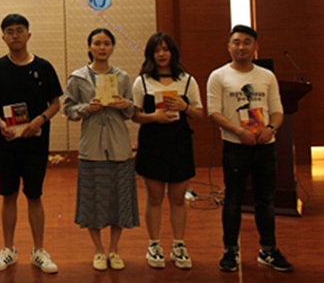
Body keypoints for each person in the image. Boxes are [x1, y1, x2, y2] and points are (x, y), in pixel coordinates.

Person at [207, 25, 293, 272]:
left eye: (247, 42)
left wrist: (271, 129)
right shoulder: (219, 76)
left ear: (256, 47)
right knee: (233, 199)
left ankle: (268, 250)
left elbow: (277, 111)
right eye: (236, 42)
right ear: (229, 46)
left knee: (266, 201)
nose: (241, 47)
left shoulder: (266, 76)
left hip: (264, 146)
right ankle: (230, 250)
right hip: (235, 146)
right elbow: (214, 112)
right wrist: (239, 131)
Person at [0, 14, 63, 274]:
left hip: (36, 142)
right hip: (6, 142)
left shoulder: (44, 67)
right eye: (10, 31)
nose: (15, 35)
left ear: (28, 34)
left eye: (19, 30)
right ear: (3, 37)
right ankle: (8, 249)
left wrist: (40, 120)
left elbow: (55, 104)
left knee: (34, 195)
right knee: (9, 195)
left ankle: (39, 250)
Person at [63, 28, 139, 271]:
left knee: (119, 199)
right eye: (97, 43)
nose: (102, 48)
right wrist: (87, 108)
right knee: (93, 200)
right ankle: (98, 250)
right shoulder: (78, 77)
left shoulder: (122, 77)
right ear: (90, 47)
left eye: (107, 43)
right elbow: (68, 109)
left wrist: (125, 104)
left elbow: (132, 112)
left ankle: (114, 250)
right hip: (92, 147)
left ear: (113, 47)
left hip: (119, 146)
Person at [131, 32, 203, 270]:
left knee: (178, 198)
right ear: (150, 55)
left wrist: (185, 107)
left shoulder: (187, 81)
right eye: (156, 50)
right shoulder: (142, 82)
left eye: (165, 49)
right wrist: (154, 117)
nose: (161, 54)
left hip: (179, 143)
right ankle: (154, 244)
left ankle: (179, 245)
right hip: (152, 144)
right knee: (154, 197)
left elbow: (200, 113)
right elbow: (135, 115)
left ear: (173, 52)